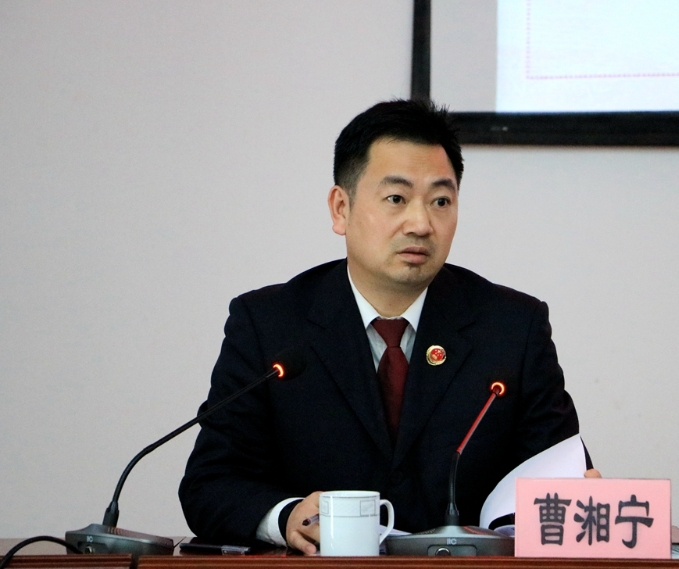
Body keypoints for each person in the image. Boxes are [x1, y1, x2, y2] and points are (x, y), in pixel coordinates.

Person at [179, 99, 597, 554]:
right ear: (341, 208)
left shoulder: (512, 328)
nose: (421, 224)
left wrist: (581, 498)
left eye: (441, 201)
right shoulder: (270, 325)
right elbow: (210, 484)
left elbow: (559, 477)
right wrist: (286, 516)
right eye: (396, 199)